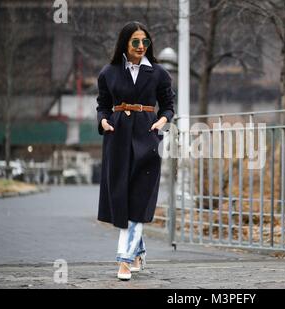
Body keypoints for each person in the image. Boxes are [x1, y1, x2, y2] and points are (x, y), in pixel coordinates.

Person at [96, 21, 175, 280]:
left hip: (147, 137)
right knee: (121, 197)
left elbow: (168, 106)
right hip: (117, 139)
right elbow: (103, 105)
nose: (141, 46)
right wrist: (103, 121)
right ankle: (138, 250)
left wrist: (161, 122)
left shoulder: (159, 74)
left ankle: (124, 260)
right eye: (135, 42)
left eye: (145, 42)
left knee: (139, 198)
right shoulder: (108, 73)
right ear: (125, 44)